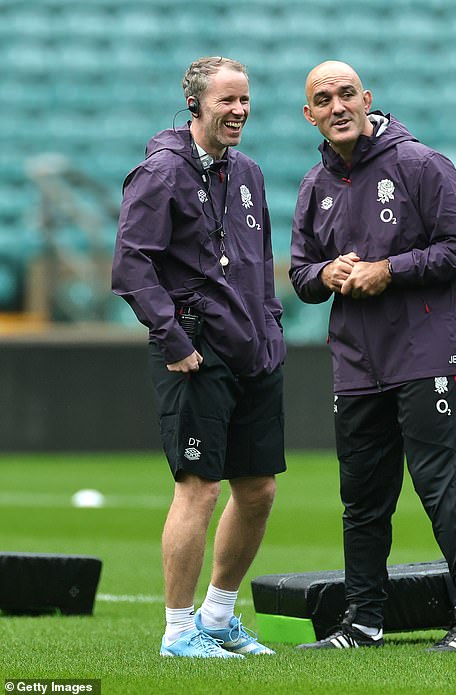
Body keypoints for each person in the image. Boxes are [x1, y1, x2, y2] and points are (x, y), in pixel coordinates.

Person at [289, 61, 456, 653]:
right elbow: (300, 274)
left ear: (367, 99)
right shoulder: (315, 185)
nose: (336, 106)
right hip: (357, 364)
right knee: (362, 500)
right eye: (322, 99)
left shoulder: (421, 164)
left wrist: (391, 270)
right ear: (310, 115)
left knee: (438, 487)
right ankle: (363, 621)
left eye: (346, 94)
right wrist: (325, 272)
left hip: (424, 354)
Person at [112, 56, 286, 659]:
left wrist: (272, 326)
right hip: (196, 350)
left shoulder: (250, 174)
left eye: (245, 101)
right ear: (196, 105)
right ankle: (178, 630)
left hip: (252, 350)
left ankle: (217, 616)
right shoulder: (158, 173)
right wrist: (173, 339)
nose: (239, 112)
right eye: (226, 102)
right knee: (200, 489)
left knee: (259, 489)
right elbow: (131, 265)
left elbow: (261, 258)